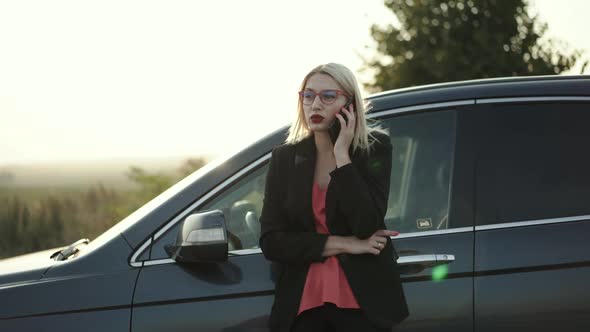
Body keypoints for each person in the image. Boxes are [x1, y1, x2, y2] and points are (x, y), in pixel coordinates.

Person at [259, 63, 409, 332]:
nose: (315, 104)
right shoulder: (285, 158)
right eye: (308, 95)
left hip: (363, 303)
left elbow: (367, 224)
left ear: (349, 104)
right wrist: (346, 244)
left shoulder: (373, 149)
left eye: (328, 96)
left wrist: (342, 156)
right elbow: (272, 242)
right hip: (303, 303)